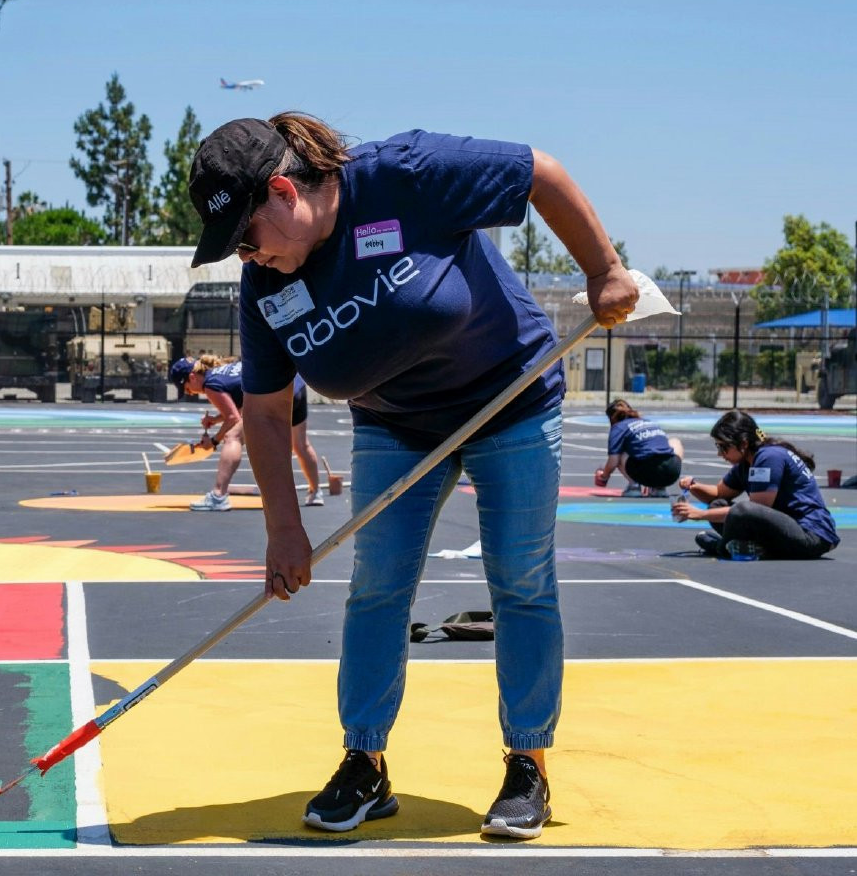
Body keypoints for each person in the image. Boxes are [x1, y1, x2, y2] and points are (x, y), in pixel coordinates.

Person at [187, 114, 637, 839]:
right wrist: (284, 530)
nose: (247, 255)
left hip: (509, 400)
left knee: (521, 580)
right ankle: (364, 763)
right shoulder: (263, 285)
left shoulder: (406, 174)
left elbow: (541, 173)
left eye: (247, 235)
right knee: (377, 588)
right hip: (394, 424)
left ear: (283, 192)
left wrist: (603, 271)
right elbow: (266, 416)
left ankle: (528, 765)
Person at [671, 409, 840, 560]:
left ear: (743, 443)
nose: (719, 453)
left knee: (741, 510)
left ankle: (723, 547)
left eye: (723, 447)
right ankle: (751, 548)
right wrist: (694, 486)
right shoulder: (745, 463)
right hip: (787, 530)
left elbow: (754, 509)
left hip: (812, 534)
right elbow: (718, 493)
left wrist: (699, 514)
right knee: (718, 504)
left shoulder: (768, 457)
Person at [172, 355, 325, 509]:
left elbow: (233, 418)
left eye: (187, 389)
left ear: (192, 377)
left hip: (276, 393)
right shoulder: (221, 372)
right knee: (300, 444)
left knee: (232, 437)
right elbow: (244, 405)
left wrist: (213, 441)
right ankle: (315, 492)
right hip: (295, 385)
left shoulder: (211, 385)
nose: (190, 393)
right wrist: (216, 419)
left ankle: (218, 496)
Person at [596, 399, 684, 497]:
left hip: (646, 470)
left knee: (620, 452)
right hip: (671, 472)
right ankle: (659, 488)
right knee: (675, 442)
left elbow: (613, 460)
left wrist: (604, 476)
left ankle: (634, 486)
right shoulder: (647, 422)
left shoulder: (618, 427)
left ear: (611, 418)